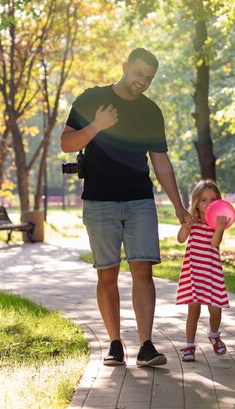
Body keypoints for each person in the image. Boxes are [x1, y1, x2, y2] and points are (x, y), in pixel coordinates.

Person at [60, 48, 191, 367]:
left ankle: (146, 346)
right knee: (107, 273)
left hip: (139, 200)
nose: (142, 82)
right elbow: (67, 143)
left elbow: (160, 161)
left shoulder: (150, 112)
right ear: (124, 66)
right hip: (99, 200)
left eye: (149, 78)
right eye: (138, 74)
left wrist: (179, 207)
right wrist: (97, 126)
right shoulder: (92, 99)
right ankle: (114, 344)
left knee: (143, 271)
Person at [176, 180, 230, 362]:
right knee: (193, 311)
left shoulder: (217, 224)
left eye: (213, 199)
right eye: (204, 200)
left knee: (216, 310)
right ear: (196, 203)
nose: (208, 204)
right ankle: (190, 346)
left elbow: (215, 243)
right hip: (194, 273)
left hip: (211, 273)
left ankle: (214, 334)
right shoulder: (193, 221)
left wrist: (220, 228)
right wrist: (185, 228)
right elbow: (181, 239)